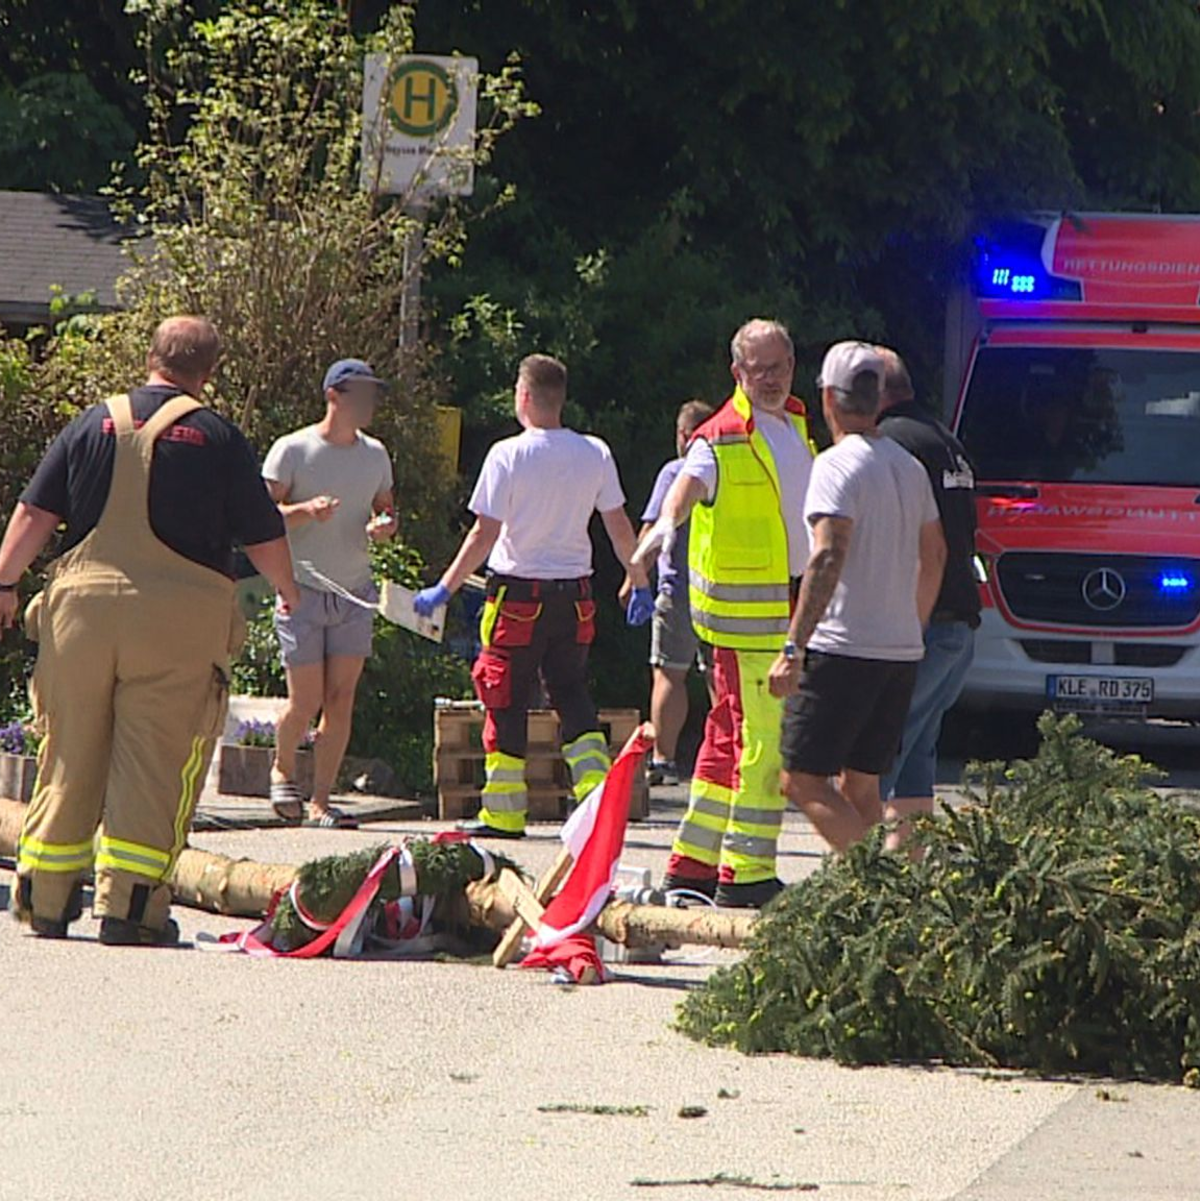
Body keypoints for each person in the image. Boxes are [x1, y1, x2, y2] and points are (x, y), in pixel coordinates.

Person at [0, 316, 297, 945]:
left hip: (80, 616)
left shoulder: (90, 422)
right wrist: (290, 593)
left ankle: (43, 901)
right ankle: (130, 911)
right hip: (176, 621)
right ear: (207, 372)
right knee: (154, 763)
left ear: (151, 358)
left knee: (67, 753)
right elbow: (264, 534)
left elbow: (35, 511)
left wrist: (4, 584)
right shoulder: (216, 436)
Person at [413, 353, 650, 839]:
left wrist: (445, 587)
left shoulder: (507, 455)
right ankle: (595, 800)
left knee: (505, 698)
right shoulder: (594, 453)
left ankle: (503, 814)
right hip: (575, 600)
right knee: (571, 692)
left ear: (522, 397)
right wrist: (639, 578)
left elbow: (483, 534)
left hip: (517, 599)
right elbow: (619, 526)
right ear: (559, 399)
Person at [634, 319, 817, 908]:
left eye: (779, 367)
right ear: (736, 372)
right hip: (747, 622)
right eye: (757, 369)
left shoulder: (796, 423)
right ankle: (747, 873)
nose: (769, 379)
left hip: (778, 608)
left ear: (793, 364)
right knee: (766, 742)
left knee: (723, 735)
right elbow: (689, 484)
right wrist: (664, 526)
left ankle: (693, 864)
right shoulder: (720, 436)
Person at [770, 341, 947, 853]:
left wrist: (792, 648)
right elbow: (935, 554)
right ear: (878, 400)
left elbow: (827, 556)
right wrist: (910, 626)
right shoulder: (908, 467)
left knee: (800, 779)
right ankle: (878, 909)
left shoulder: (834, 466)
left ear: (827, 397)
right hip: (899, 649)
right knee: (861, 782)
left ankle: (880, 882)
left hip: (842, 648)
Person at [262, 358, 397, 829]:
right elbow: (261, 516)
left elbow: (386, 511)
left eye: (372, 395)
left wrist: (385, 527)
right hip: (300, 590)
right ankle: (282, 768)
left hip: (354, 592)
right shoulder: (293, 449)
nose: (368, 404)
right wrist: (304, 510)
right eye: (359, 394)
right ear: (334, 396)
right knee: (306, 701)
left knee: (341, 699)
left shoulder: (376, 454)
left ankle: (320, 802)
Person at [875, 348, 980, 851]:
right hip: (959, 622)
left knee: (879, 748)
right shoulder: (944, 440)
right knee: (917, 751)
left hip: (924, 622)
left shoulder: (893, 444)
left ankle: (858, 880)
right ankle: (907, 872)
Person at [632, 399, 716, 785]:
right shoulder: (725, 469)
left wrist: (635, 580)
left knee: (669, 674)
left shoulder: (674, 471)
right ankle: (727, 755)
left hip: (678, 588)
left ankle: (663, 760)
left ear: (684, 435)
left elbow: (652, 529)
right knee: (720, 677)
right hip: (720, 591)